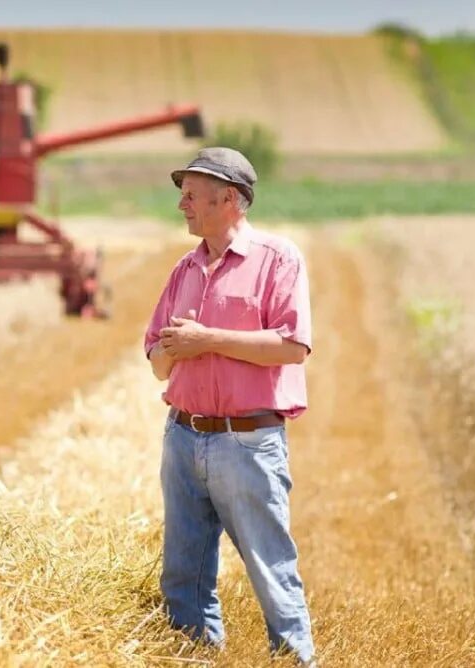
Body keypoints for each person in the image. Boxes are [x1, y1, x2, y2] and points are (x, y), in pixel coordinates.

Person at [144, 147, 316, 664]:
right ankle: (193, 658)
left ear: (232, 200)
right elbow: (156, 359)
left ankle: (297, 660)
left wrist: (208, 339)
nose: (182, 205)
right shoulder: (185, 268)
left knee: (271, 571)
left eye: (192, 195)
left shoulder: (278, 259)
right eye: (183, 195)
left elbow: (292, 346)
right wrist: (171, 349)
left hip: (248, 442)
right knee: (183, 574)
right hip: (182, 437)